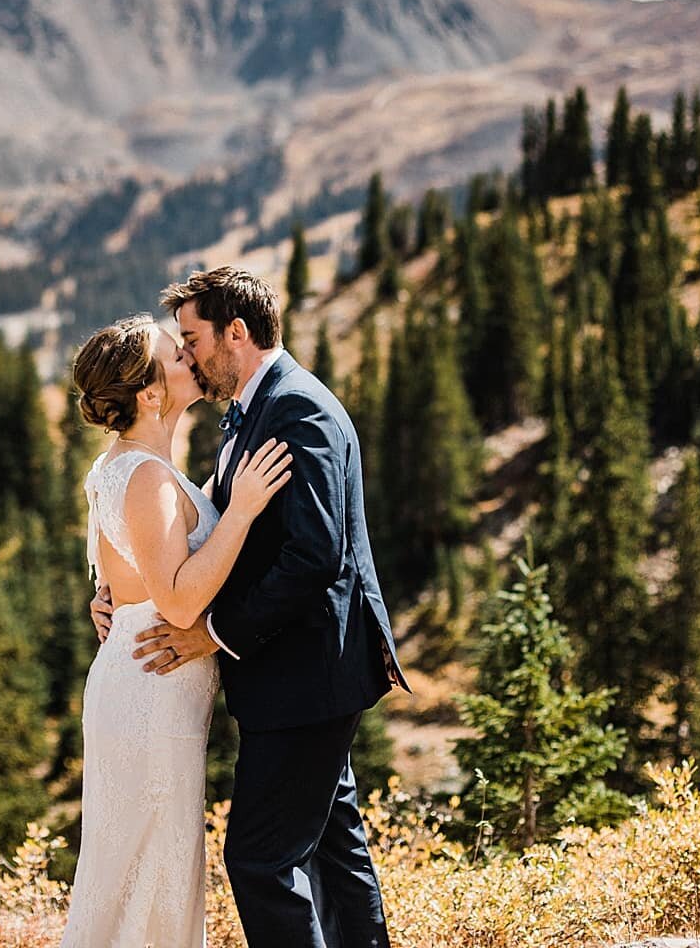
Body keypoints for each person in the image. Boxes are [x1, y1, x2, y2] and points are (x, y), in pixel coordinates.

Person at [98, 266, 408, 947]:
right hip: (288, 675)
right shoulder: (248, 411)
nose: (187, 354)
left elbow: (315, 556)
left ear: (234, 333)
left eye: (193, 339)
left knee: (260, 860)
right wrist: (126, 600)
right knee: (332, 850)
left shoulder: (298, 407)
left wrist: (213, 634)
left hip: (308, 675)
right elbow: (208, 532)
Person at [60, 313, 292, 948]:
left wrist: (110, 600)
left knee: (142, 870)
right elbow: (182, 603)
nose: (190, 354)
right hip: (150, 694)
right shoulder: (146, 477)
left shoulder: (135, 468)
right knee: (147, 870)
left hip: (143, 684)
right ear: (151, 394)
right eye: (175, 352)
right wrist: (240, 512)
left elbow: (123, 572)